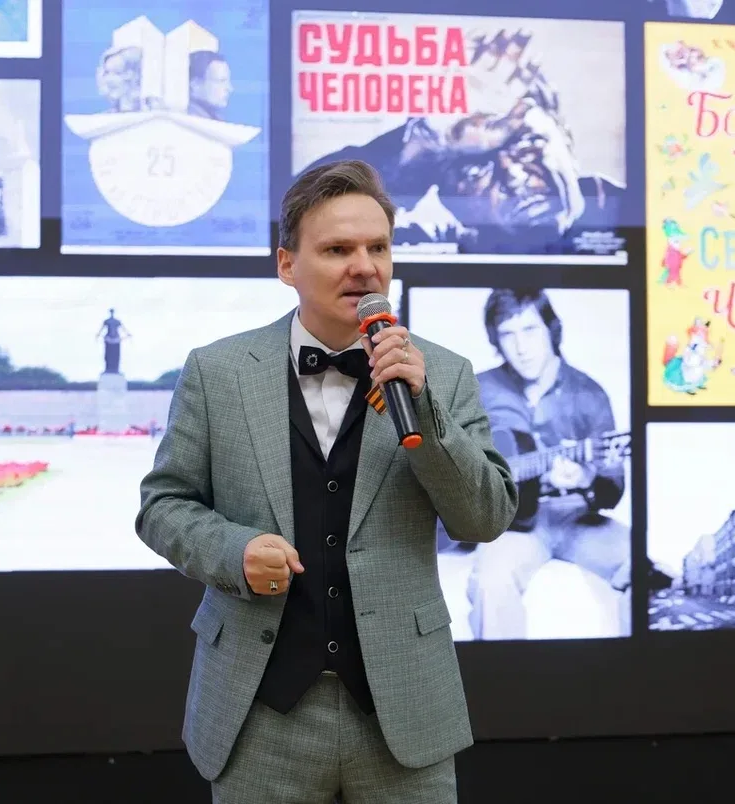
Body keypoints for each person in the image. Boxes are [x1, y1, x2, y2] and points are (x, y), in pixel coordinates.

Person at [136, 159, 519, 802]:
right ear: (287, 265)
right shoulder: (218, 371)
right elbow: (162, 505)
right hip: (259, 710)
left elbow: (485, 517)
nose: (364, 267)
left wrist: (424, 412)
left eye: (378, 248)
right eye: (338, 249)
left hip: (404, 707)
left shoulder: (443, 374)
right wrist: (234, 552)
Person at [464, 288, 631, 639]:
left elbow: (613, 490)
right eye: (507, 334)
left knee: (645, 572)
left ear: (551, 330)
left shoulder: (589, 393)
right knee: (490, 584)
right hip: (511, 524)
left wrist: (585, 480)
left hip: (577, 516)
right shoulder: (479, 388)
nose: (521, 347)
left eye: (530, 330)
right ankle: (500, 674)